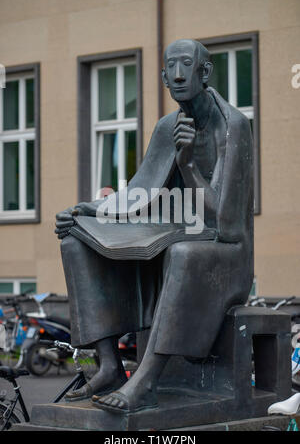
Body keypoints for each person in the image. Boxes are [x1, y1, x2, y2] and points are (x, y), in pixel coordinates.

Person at [55, 39, 253, 413]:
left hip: (226, 254)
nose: (178, 74)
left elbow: (227, 224)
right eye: (170, 67)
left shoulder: (234, 127)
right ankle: (110, 366)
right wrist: (91, 210)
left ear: (204, 72)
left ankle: (145, 381)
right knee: (75, 239)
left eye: (186, 65)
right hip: (174, 238)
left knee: (182, 252)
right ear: (163, 76)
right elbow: (140, 193)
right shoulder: (168, 126)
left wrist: (189, 166)